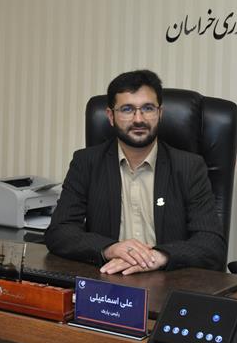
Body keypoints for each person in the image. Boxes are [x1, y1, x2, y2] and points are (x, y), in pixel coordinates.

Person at [45, 70, 227, 275]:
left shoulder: (189, 167)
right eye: (127, 109)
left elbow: (212, 244)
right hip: (109, 279)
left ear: (160, 113)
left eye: (148, 108)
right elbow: (59, 231)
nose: (138, 119)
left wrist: (159, 256)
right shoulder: (87, 163)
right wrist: (109, 249)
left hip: (168, 280)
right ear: (111, 116)